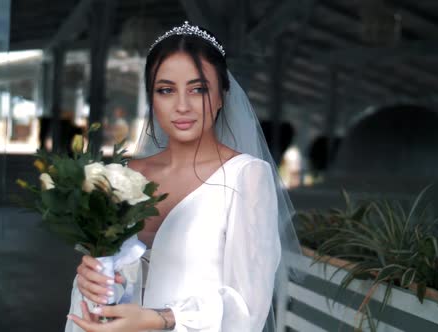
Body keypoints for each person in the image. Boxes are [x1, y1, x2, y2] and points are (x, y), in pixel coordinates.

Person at [67, 21, 301, 332]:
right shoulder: (123, 177)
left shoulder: (246, 177)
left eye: (198, 89)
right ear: (152, 98)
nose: (181, 106)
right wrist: (91, 279)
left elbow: (248, 305)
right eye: (166, 90)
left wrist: (161, 319)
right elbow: (107, 277)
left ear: (221, 96)